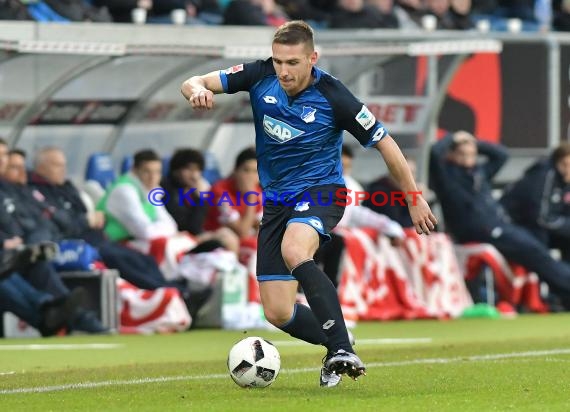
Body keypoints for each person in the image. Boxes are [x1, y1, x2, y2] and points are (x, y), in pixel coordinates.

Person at [181, 20, 436, 387]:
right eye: (278, 61)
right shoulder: (258, 74)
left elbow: (385, 142)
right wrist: (195, 92)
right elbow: (195, 81)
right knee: (278, 312)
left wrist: (413, 199)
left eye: (293, 63)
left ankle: (340, 351)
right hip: (277, 201)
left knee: (295, 247)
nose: (283, 70)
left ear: (312, 58)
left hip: (322, 192)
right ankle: (340, 341)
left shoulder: (334, 95)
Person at [430, 130, 570, 308]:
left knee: (537, 248)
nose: (468, 157)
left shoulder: (479, 172)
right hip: (479, 230)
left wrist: (474, 142)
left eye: (471, 153)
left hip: (499, 226)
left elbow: (501, 154)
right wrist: (455, 138)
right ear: (451, 154)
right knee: (535, 252)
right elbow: (435, 153)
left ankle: (560, 295)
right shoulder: (446, 177)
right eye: (462, 153)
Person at [501, 143, 570, 264]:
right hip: (515, 225)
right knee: (540, 236)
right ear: (560, 162)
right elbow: (541, 218)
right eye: (567, 164)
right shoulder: (544, 176)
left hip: (538, 225)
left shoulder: (563, 180)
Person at [162, 148, 239, 254]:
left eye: (197, 170)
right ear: (176, 170)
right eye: (189, 169)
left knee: (227, 234)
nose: (194, 175)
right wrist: (201, 199)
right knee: (227, 239)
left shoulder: (191, 189)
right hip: (179, 238)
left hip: (194, 235)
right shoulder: (166, 190)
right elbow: (193, 228)